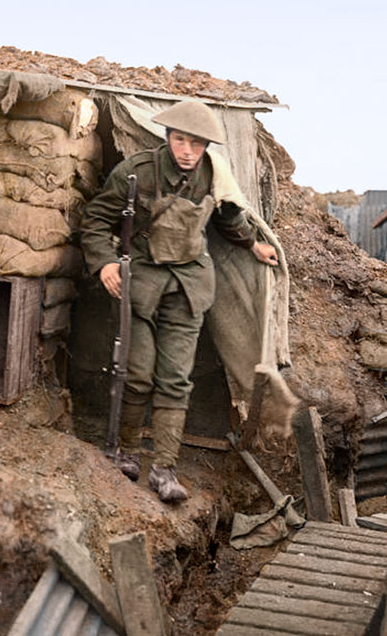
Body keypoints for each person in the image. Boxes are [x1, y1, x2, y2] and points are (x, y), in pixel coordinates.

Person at [79, 100, 278, 502]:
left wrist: (253, 245)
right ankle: (128, 452)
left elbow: (227, 218)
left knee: (174, 379)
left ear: (206, 146)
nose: (187, 151)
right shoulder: (136, 171)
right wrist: (103, 264)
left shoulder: (213, 175)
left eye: (196, 143)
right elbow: (97, 219)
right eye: (180, 140)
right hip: (140, 284)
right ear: (168, 138)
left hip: (188, 288)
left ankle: (165, 469)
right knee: (136, 372)